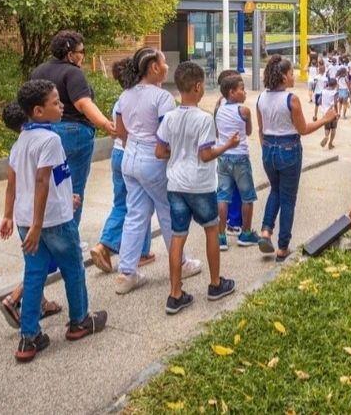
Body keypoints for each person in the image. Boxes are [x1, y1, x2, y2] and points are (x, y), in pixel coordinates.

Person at [3, 80, 107, 362]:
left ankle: (29, 336)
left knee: (34, 274)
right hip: (52, 221)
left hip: (26, 220)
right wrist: (39, 224)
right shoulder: (50, 140)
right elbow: (41, 180)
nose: (62, 106)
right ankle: (80, 321)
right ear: (38, 111)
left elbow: (34, 178)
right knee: (73, 268)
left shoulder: (20, 142)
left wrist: (67, 195)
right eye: (56, 102)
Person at [115, 48, 202, 294]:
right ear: (154, 67)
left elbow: (120, 131)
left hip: (129, 157)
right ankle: (181, 262)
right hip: (153, 159)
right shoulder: (162, 97)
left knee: (135, 214)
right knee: (168, 211)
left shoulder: (125, 95)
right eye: (164, 62)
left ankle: (126, 273)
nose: (166, 67)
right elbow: (168, 134)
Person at [155, 62, 239, 314]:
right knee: (211, 230)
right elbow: (205, 154)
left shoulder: (169, 117)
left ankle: (175, 294)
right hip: (200, 185)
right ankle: (215, 284)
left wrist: (178, 153)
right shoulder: (204, 119)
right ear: (198, 86)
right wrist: (228, 145)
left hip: (175, 184)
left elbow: (159, 151)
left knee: (177, 236)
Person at [29, 30, 115, 233]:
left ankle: (45, 232)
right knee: (72, 187)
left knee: (48, 184)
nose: (83, 56)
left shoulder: (38, 71)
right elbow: (83, 103)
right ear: (70, 54)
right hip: (73, 133)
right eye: (81, 52)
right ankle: (69, 236)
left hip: (43, 132)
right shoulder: (73, 73)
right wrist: (106, 124)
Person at [256, 56, 335, 262]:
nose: (294, 76)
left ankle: (266, 231)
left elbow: (260, 130)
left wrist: (266, 148)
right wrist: (325, 119)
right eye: (291, 73)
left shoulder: (261, 98)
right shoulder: (291, 99)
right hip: (289, 149)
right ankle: (283, 247)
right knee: (288, 198)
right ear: (283, 77)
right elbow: (303, 129)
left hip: (268, 149)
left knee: (275, 189)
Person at [0, 102, 67, 327]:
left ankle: (40, 305)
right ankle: (15, 298)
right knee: (46, 262)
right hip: (45, 216)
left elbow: (11, 184)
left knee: (37, 261)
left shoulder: (17, 147)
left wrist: (7, 215)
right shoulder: (45, 142)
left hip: (23, 215)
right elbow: (48, 179)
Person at [87, 59, 155, 274]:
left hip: (118, 154)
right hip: (134, 154)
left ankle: (141, 251)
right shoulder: (145, 99)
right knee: (137, 205)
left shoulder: (122, 99)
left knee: (128, 204)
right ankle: (106, 246)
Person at [214, 73, 260, 249]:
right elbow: (248, 132)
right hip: (240, 156)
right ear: (232, 92)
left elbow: (217, 132)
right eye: (242, 89)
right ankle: (246, 233)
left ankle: (220, 236)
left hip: (223, 156)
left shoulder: (218, 109)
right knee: (247, 196)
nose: (245, 92)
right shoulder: (244, 111)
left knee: (223, 196)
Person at [211, 69, 246, 236]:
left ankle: (224, 225)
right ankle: (235, 222)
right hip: (236, 152)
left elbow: (216, 129)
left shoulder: (220, 104)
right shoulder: (236, 107)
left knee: (225, 190)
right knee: (237, 189)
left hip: (223, 151)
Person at [319, 77, 339, 150]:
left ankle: (326, 136)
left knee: (327, 127)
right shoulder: (335, 92)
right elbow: (335, 103)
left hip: (325, 113)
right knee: (333, 128)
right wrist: (337, 113)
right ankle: (330, 143)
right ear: (335, 85)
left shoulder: (323, 91)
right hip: (332, 112)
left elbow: (320, 101)